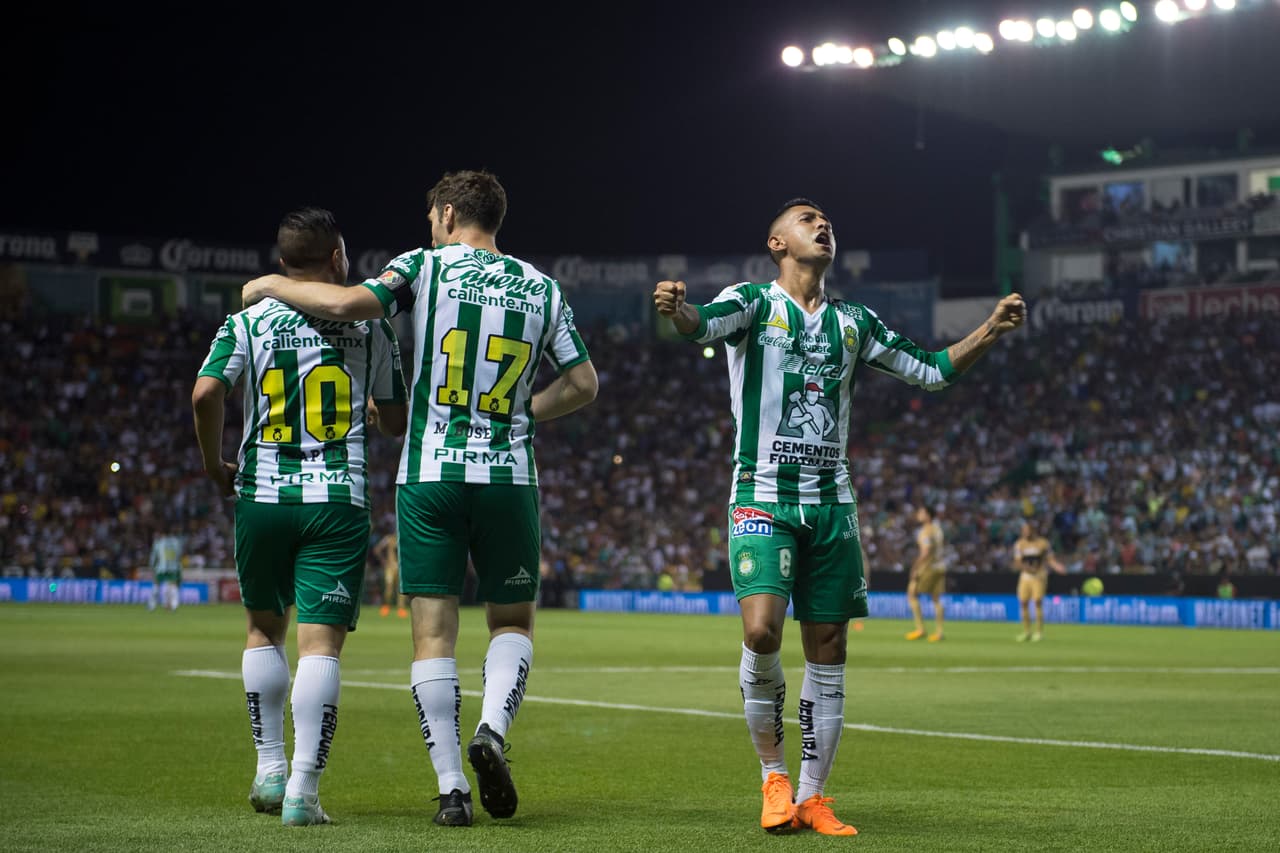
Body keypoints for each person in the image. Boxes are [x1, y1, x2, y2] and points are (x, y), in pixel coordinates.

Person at [653, 198, 1025, 837]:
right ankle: (773, 777)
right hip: (762, 496)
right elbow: (698, 326)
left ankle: (813, 795)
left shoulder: (855, 322)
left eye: (826, 220)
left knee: (829, 649)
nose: (822, 225)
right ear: (777, 242)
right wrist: (678, 308)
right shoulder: (752, 303)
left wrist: (989, 329)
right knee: (763, 632)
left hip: (832, 504)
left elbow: (930, 372)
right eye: (806, 219)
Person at [241, 170, 598, 827]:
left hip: (431, 472)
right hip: (508, 474)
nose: (428, 225)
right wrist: (523, 412)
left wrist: (268, 285)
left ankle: (451, 789)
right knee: (511, 621)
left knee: (433, 634)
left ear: (449, 212)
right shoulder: (542, 287)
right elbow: (583, 382)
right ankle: (491, 728)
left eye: (431, 215)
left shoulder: (424, 267)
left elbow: (346, 306)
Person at [193, 208, 408, 826]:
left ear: (282, 261)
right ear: (339, 256)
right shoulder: (373, 327)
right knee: (322, 646)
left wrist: (215, 462)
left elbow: (206, 392)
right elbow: (395, 420)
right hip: (335, 499)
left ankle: (268, 769)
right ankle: (303, 793)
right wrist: (368, 406)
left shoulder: (248, 321)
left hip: (261, 493)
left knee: (264, 630)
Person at [1013, 520, 1066, 642]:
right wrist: (1027, 568)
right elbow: (1017, 562)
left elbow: (1050, 559)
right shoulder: (1019, 544)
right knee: (1023, 602)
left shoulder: (1043, 544)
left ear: (1032, 531)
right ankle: (1027, 632)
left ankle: (1039, 632)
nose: (1025, 533)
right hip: (1025, 576)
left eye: (1027, 530)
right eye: (1023, 531)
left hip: (1039, 576)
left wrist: (1057, 567)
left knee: (1037, 601)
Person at [905, 505, 946, 642]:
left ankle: (920, 629)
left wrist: (915, 567)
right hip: (940, 566)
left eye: (921, 512)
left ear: (928, 515)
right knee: (936, 599)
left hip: (928, 567)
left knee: (912, 594)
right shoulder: (938, 529)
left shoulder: (925, 532)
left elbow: (926, 551)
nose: (918, 514)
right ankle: (939, 632)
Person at [147, 531, 184, 611]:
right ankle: (174, 605)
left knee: (156, 585)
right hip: (173, 567)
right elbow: (179, 555)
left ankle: (152, 605)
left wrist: (152, 567)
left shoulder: (158, 543)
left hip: (161, 568)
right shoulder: (176, 542)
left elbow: (153, 557)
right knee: (173, 585)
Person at [374, 531, 407, 618]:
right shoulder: (388, 539)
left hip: (400, 567)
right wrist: (383, 561)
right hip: (390, 567)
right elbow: (377, 549)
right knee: (389, 587)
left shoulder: (403, 539)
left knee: (400, 589)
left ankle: (401, 608)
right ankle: (386, 606)